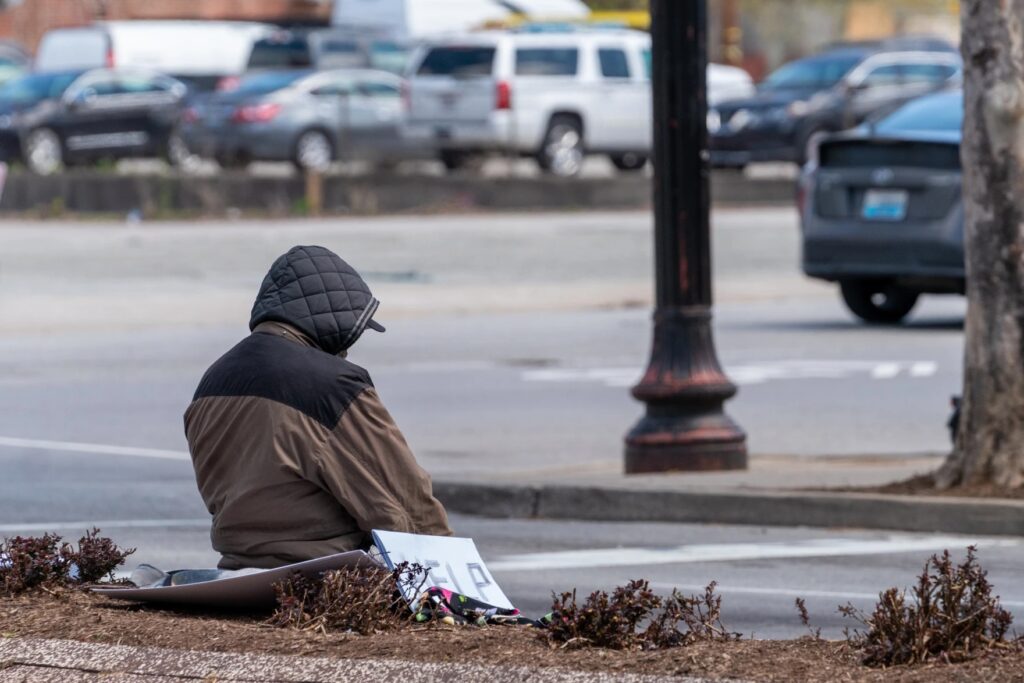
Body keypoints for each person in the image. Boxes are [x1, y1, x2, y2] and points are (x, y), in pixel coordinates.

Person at [184, 245, 452, 569]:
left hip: (238, 571)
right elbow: (402, 500)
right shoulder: (332, 386)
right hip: (327, 575)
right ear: (336, 323)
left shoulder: (212, 380)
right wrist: (448, 580)